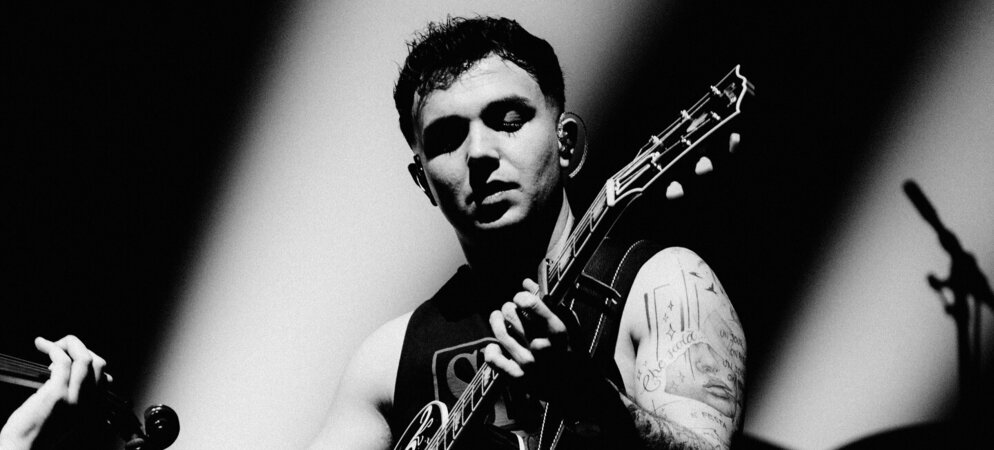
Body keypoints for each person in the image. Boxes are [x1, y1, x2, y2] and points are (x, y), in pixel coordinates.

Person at [1, 16, 746, 449]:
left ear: (569, 144)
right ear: (422, 178)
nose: (480, 153)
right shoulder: (391, 356)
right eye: (447, 137)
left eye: (508, 119)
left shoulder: (662, 283)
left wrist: (591, 401)